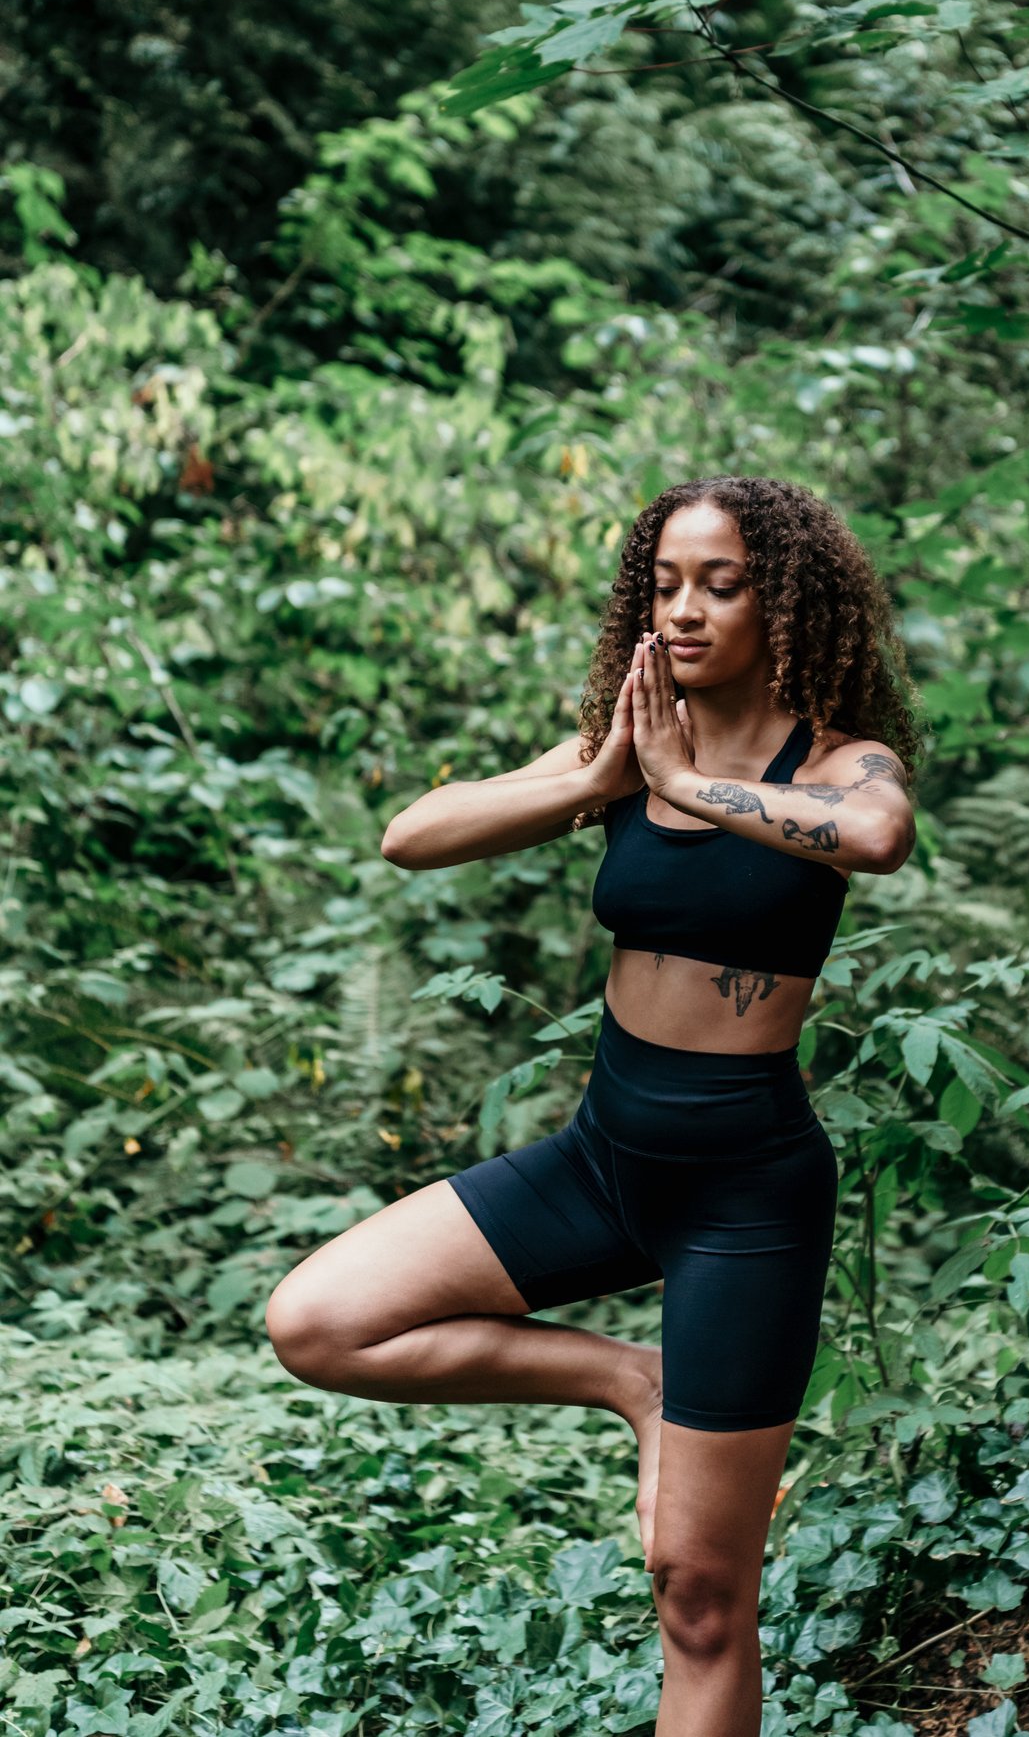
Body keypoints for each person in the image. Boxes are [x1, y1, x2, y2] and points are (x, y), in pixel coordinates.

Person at [264, 474, 922, 1737]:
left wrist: (695, 786)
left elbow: (878, 836)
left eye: (720, 586)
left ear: (782, 602)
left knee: (701, 1593)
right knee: (321, 1323)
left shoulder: (838, 759)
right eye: (665, 584)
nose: (684, 611)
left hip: (745, 1198)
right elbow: (413, 835)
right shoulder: (625, 747)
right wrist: (610, 775)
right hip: (603, 1160)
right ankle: (635, 1382)